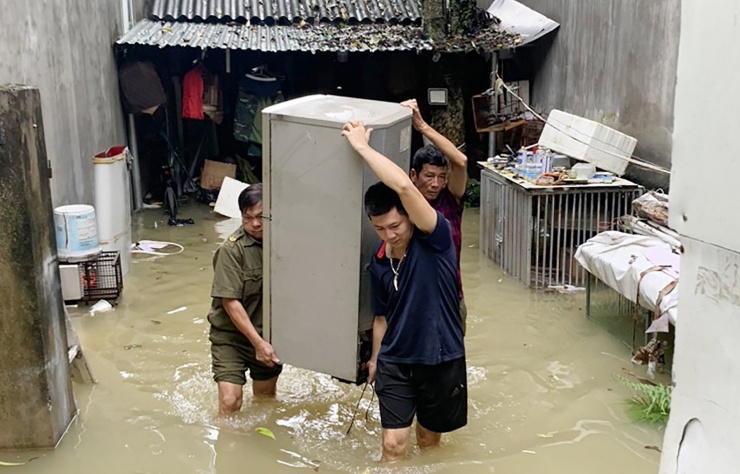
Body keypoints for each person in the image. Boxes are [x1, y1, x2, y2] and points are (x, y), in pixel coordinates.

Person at [341, 121, 467, 462]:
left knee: (428, 442)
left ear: (411, 217)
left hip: (438, 357)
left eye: (395, 226)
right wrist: (375, 359)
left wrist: (362, 148)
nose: (389, 235)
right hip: (397, 359)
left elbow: (403, 186)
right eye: (380, 229)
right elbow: (381, 317)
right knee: (393, 447)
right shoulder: (380, 261)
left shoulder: (436, 237)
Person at [206, 184, 282, 416]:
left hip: (267, 335)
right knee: (230, 403)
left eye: (260, 217)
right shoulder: (231, 250)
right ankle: (227, 447)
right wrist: (257, 344)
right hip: (231, 337)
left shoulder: (281, 245)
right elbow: (230, 303)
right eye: (247, 218)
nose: (255, 224)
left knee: (265, 399)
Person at [401, 99, 469, 335]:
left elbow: (460, 161)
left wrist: (422, 126)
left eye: (441, 176)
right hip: (415, 303)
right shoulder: (404, 205)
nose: (436, 183)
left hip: (451, 299)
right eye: (429, 176)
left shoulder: (450, 200)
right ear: (413, 175)